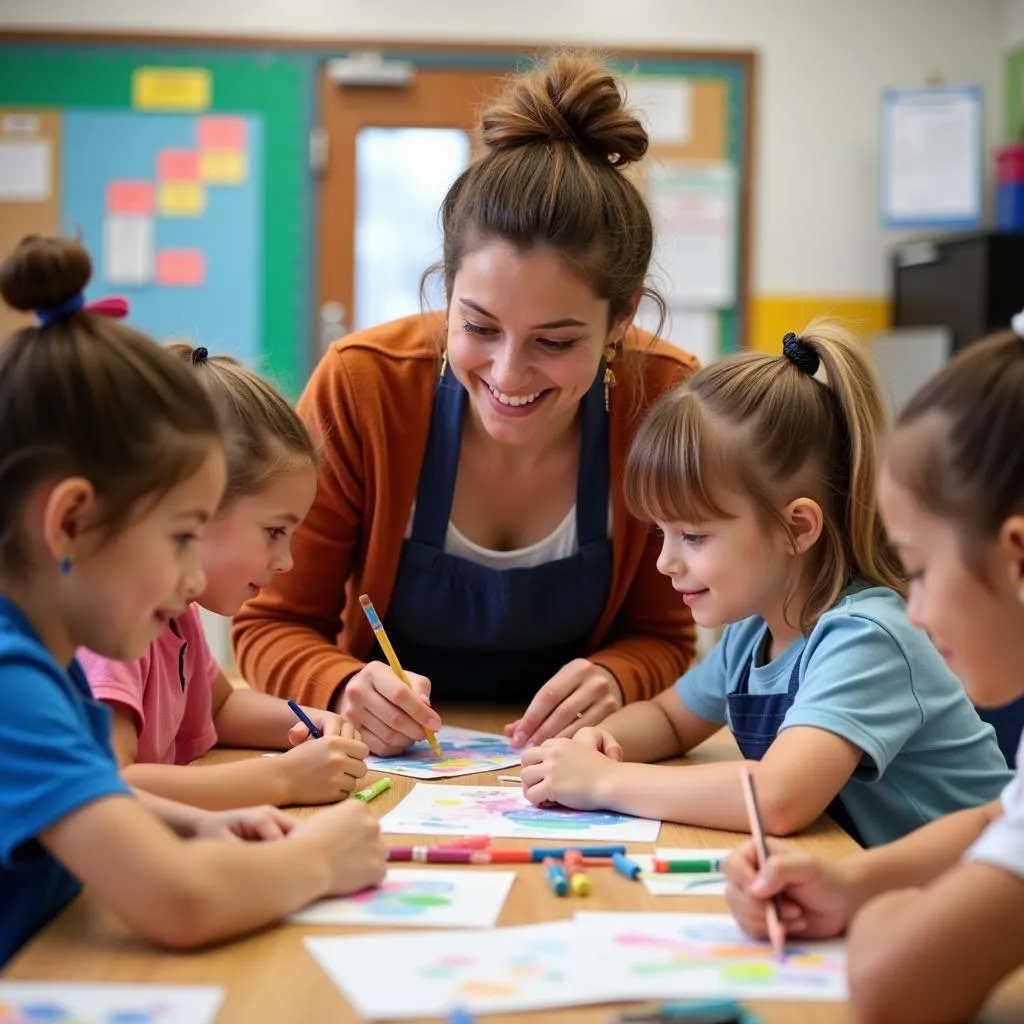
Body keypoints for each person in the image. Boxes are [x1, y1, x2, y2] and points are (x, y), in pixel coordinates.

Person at [232, 51, 699, 756]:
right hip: (385, 765)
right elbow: (267, 624)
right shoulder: (364, 387)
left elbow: (666, 634)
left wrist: (618, 674)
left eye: (555, 341)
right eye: (478, 327)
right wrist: (339, 686)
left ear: (622, 317)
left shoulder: (663, 401)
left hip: (574, 770)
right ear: (447, 290)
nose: (509, 374)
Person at [0, 235, 385, 967]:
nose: (187, 582)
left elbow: (88, 799)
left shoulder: (44, 661)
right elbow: (180, 903)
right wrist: (320, 860)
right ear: (71, 522)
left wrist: (194, 826)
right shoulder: (11, 682)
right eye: (181, 538)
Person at [520, 323, 1009, 847]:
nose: (665, 561)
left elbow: (779, 798)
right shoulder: (753, 630)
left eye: (694, 535)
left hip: (986, 895)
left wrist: (604, 782)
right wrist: (599, 741)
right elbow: (670, 719)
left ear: (796, 528)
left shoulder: (867, 638)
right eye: (661, 532)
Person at [723, 321, 1024, 1022]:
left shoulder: (867, 628)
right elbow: (1001, 816)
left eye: (917, 570)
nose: (913, 613)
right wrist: (848, 881)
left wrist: (887, 909)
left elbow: (891, 988)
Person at [80, 344, 369, 809]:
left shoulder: (179, 616)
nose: (286, 561)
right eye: (275, 531)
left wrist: (319, 721)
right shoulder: (114, 628)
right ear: (197, 506)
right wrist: (283, 780)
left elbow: (218, 707)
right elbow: (110, 787)